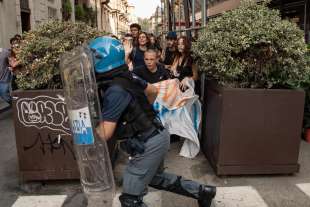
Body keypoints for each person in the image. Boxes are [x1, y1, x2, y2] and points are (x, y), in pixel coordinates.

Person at [91, 36, 216, 207]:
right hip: (158, 133)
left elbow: (105, 133)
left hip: (148, 142)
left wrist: (85, 133)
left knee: (130, 199)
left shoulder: (115, 90)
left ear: (101, 60)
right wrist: (143, 113)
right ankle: (202, 192)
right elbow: (152, 91)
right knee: (155, 178)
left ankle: (201, 192)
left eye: (93, 57)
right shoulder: (127, 77)